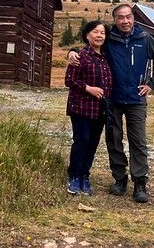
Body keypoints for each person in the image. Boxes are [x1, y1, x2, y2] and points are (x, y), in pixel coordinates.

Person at [68, 4, 154, 203]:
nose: (125, 21)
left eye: (128, 17)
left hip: (137, 100)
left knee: (138, 141)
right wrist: (71, 51)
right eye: (120, 17)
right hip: (112, 100)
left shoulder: (145, 39)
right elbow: (90, 46)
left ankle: (140, 183)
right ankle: (120, 179)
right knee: (113, 140)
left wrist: (152, 83)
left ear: (133, 18)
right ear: (115, 20)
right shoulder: (109, 38)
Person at [64, 20, 113, 196]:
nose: (99, 35)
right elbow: (70, 80)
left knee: (92, 143)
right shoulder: (80, 55)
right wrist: (89, 89)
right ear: (87, 35)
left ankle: (85, 175)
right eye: (95, 31)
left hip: (100, 110)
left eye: (102, 33)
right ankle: (74, 176)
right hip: (81, 108)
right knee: (81, 141)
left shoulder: (107, 57)